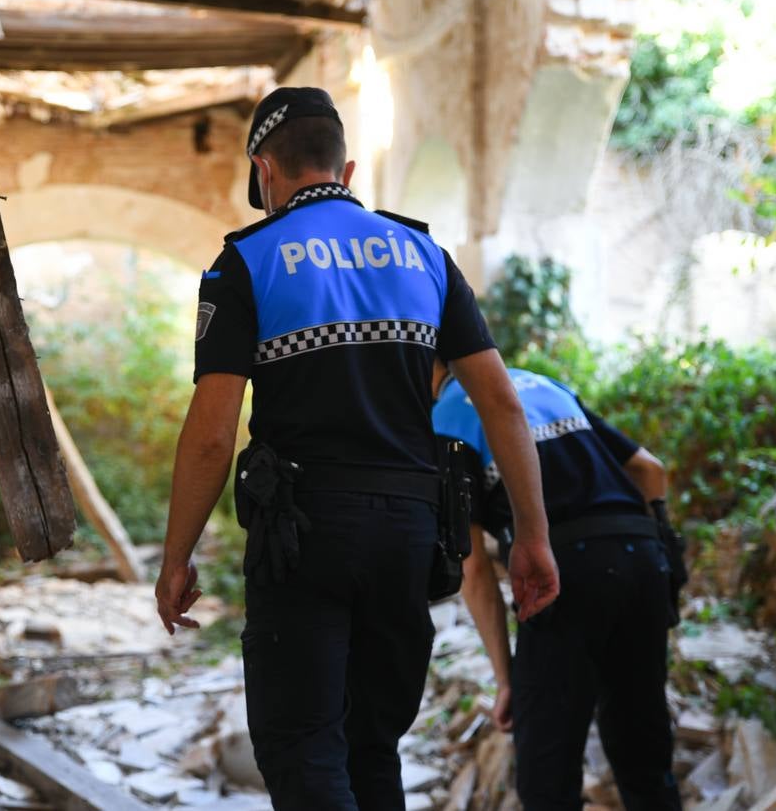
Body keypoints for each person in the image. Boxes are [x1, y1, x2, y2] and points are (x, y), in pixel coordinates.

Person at [154, 86, 561, 810]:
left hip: (303, 536)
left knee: (306, 747)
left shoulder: (245, 262)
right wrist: (532, 534)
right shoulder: (423, 254)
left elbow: (214, 433)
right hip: (409, 534)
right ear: (344, 171)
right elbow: (501, 402)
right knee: (371, 747)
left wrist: (176, 556)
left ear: (264, 172)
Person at [432, 362, 683, 811]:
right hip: (643, 560)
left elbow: (473, 568)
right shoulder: (543, 385)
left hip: (563, 572)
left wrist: (507, 679)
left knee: (546, 774)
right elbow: (649, 469)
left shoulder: (447, 416)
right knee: (644, 751)